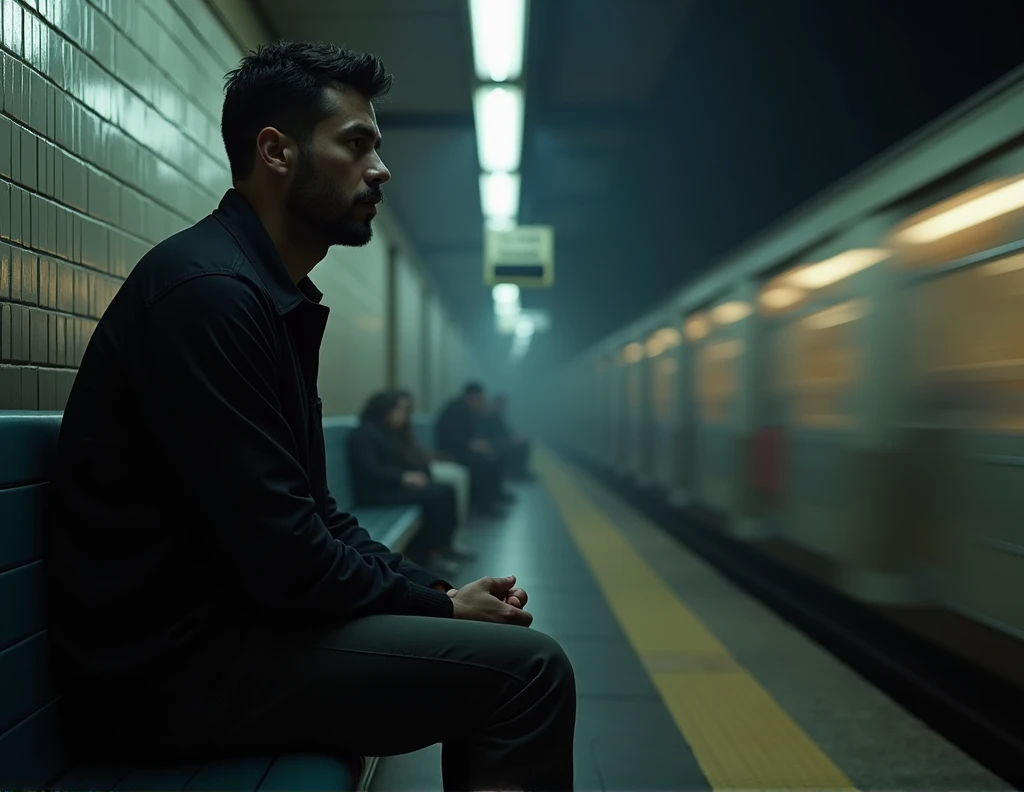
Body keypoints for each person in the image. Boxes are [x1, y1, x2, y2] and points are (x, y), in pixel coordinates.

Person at [48, 41, 575, 791]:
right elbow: (286, 554)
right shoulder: (211, 297)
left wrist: (439, 595)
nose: (380, 168)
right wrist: (437, 607)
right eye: (356, 144)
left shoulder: (262, 296)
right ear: (277, 152)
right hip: (168, 676)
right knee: (531, 673)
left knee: (513, 659)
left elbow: (316, 514)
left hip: (224, 638)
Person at [347, 391, 470, 577]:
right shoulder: (364, 433)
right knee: (434, 497)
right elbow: (369, 470)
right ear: (385, 409)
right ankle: (430, 555)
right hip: (373, 493)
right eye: (400, 409)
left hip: (389, 488)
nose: (404, 415)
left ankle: (441, 547)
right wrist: (403, 477)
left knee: (445, 490)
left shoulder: (390, 432)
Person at [394, 389, 473, 530]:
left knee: (452, 482)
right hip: (398, 480)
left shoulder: (400, 430)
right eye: (400, 409)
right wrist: (405, 475)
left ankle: (451, 536)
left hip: (416, 470)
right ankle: (438, 544)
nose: (404, 414)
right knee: (446, 486)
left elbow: (414, 453)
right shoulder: (372, 433)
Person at [436, 383, 511, 517]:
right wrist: (472, 445)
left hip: (462, 449)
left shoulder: (465, 409)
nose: (482, 401)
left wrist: (478, 443)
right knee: (485, 464)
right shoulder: (455, 411)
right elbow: (451, 438)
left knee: (493, 458)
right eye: (480, 398)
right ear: (472, 397)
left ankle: (493, 497)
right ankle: (485, 506)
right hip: (452, 452)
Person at [484, 394, 534, 480]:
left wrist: (515, 435)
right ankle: (517, 473)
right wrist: (510, 438)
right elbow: (493, 434)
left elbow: (506, 430)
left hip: (501, 441)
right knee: (521, 445)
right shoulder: (491, 416)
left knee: (524, 442)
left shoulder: (498, 416)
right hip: (496, 443)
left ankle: (519, 471)